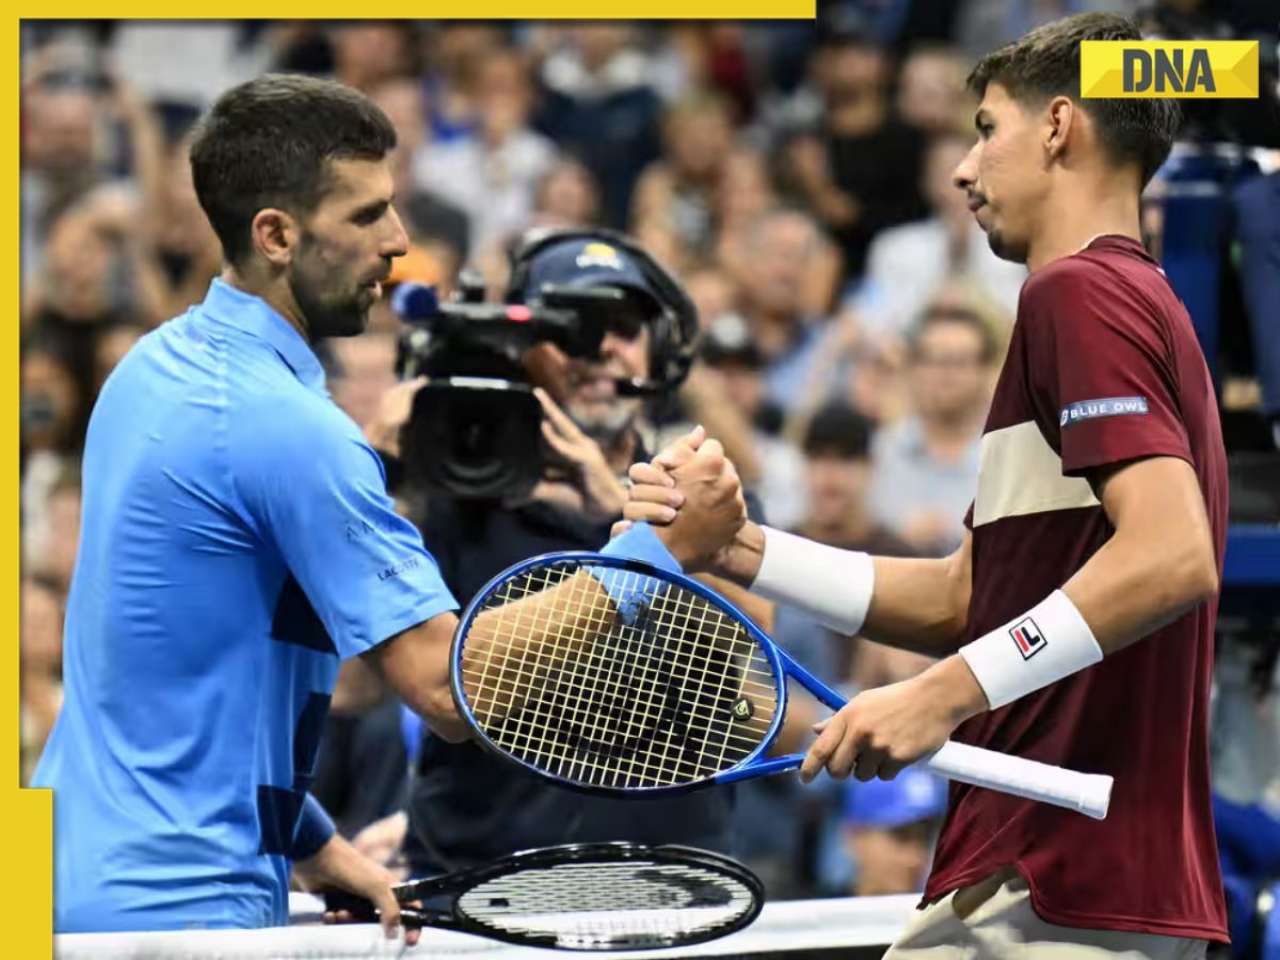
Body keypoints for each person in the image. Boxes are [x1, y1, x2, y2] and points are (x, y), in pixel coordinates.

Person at [31, 74, 743, 938]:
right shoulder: (292, 431)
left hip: (62, 871)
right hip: (177, 907)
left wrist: (310, 838)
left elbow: (174, 670)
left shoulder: (149, 369)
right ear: (277, 235)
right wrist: (653, 556)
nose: (399, 242)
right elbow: (450, 686)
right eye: (367, 216)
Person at [622, 13, 1228, 957]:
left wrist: (939, 696)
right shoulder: (1135, 304)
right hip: (1071, 884)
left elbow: (1172, 556)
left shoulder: (1079, 294)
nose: (963, 169)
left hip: (1058, 885)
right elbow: (965, 599)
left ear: (1060, 126)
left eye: (987, 129)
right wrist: (739, 547)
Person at [375, 229, 771, 878]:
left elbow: (759, 667)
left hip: (674, 887)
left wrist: (614, 507)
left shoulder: (703, 497)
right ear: (522, 351)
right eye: (572, 330)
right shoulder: (448, 498)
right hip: (479, 890)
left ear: (657, 351)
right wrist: (375, 475)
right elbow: (353, 689)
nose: (599, 353)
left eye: (620, 327)